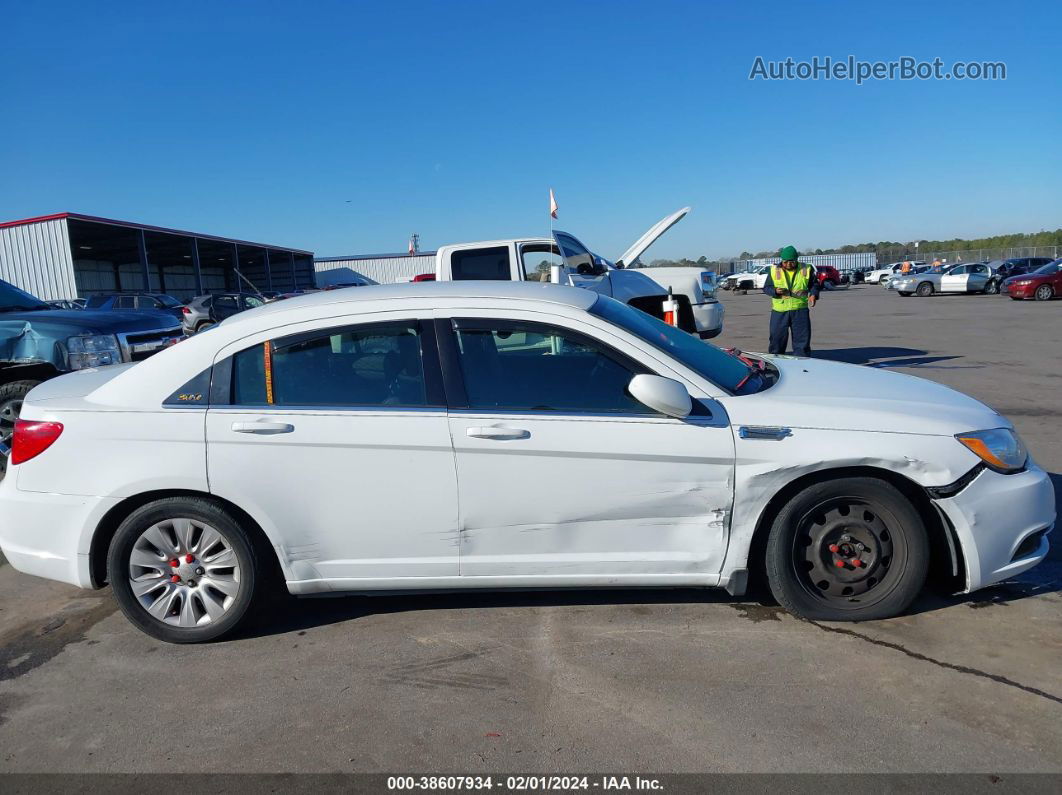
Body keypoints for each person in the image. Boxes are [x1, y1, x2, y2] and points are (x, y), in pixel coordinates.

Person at [762, 245, 819, 357]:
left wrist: (813, 294)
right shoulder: (774, 270)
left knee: (802, 341)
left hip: (800, 310)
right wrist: (775, 291)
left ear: (796, 260)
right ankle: (776, 362)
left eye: (792, 262)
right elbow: (766, 287)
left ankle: (802, 366)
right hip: (779, 311)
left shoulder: (806, 269)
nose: (788, 264)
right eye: (786, 262)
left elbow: (814, 285)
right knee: (777, 340)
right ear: (782, 260)